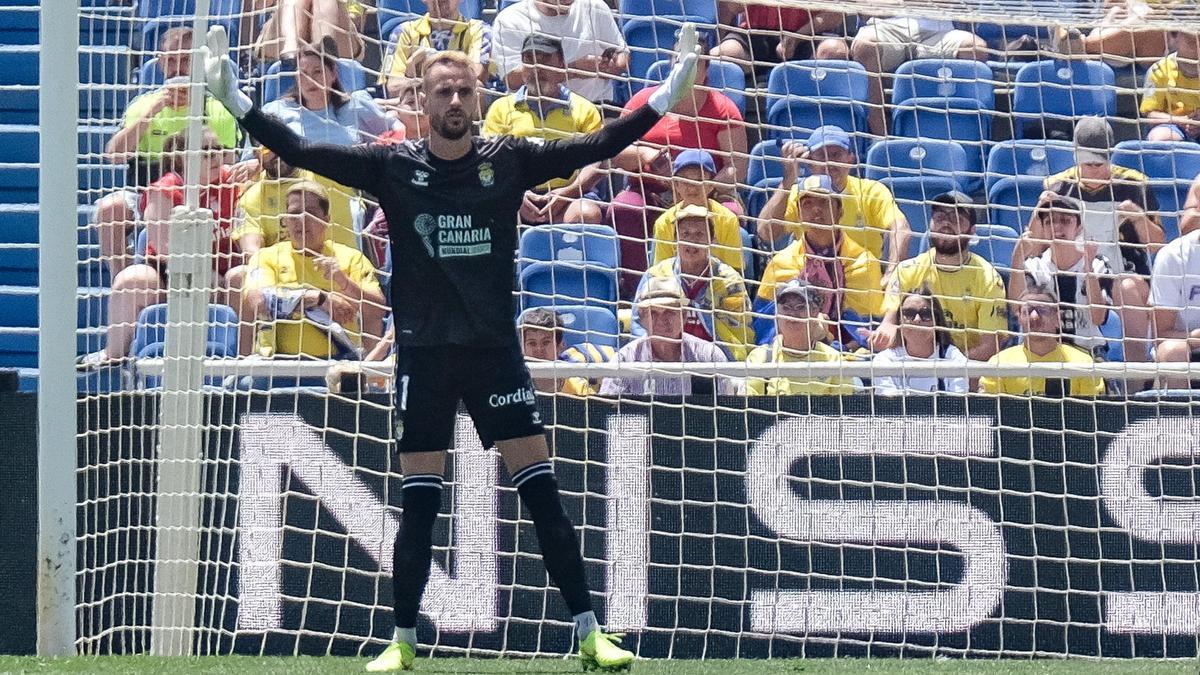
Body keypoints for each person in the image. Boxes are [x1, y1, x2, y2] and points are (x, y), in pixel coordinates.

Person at [204, 20, 703, 670]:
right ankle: (403, 641)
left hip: (496, 353)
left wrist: (665, 96)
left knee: (542, 493)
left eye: (465, 90)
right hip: (425, 358)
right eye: (443, 92)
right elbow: (301, 148)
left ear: (478, 93)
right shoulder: (393, 167)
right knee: (419, 504)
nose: (456, 102)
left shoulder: (509, 161)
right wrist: (235, 102)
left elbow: (597, 142)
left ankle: (589, 633)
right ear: (423, 97)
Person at [78, 131, 241, 369]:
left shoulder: (234, 181)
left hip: (226, 277)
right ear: (181, 160)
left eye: (217, 149)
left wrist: (256, 164)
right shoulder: (163, 191)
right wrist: (201, 276)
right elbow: (164, 248)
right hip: (169, 277)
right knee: (130, 280)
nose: (215, 156)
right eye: (205, 151)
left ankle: (242, 361)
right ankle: (113, 355)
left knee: (244, 278)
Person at [94, 27, 242, 277]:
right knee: (109, 208)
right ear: (160, 64)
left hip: (206, 194)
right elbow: (115, 156)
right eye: (171, 60)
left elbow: (228, 164)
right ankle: (125, 281)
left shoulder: (217, 109)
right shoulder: (142, 106)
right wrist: (152, 113)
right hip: (146, 194)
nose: (177, 68)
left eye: (185, 60)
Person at [1042, 116, 1162, 362]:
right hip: (1072, 269)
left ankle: (1136, 381)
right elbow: (1037, 242)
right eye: (1088, 164)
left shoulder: (1134, 184)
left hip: (1123, 271)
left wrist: (1139, 218)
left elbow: (1158, 245)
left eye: (1100, 164)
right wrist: (1040, 209)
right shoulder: (1057, 186)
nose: (1095, 170)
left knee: (1128, 289)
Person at [242, 181, 386, 359]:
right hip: (277, 364)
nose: (301, 220)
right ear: (285, 220)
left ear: (326, 219)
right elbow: (258, 300)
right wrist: (319, 299)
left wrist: (344, 283)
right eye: (294, 214)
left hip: (340, 361)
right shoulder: (267, 257)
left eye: (310, 213)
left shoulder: (351, 258)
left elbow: (377, 311)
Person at [483, 34, 605, 225]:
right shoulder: (501, 109)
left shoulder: (584, 109)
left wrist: (568, 193)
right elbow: (488, 161)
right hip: (514, 196)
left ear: (561, 64)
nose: (536, 69)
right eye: (529, 61)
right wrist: (515, 193)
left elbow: (598, 164)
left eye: (544, 59)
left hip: (570, 196)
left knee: (586, 213)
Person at [870, 192, 1007, 362]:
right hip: (912, 362)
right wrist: (883, 336)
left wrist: (945, 366)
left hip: (965, 368)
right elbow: (889, 323)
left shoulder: (988, 279)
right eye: (940, 217)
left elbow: (990, 347)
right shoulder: (907, 270)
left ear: (972, 231)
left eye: (956, 219)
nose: (946, 223)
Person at [758, 126, 910, 276]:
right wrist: (788, 180)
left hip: (863, 279)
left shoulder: (871, 191)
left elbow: (901, 229)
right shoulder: (799, 194)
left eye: (836, 155)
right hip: (810, 280)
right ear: (809, 162)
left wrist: (892, 274)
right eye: (821, 156)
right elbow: (766, 233)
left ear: (851, 159)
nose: (829, 163)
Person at [755, 175, 883, 348]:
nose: (816, 209)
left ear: (840, 212)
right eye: (807, 204)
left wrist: (828, 343)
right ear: (799, 214)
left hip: (847, 357)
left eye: (824, 202)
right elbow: (764, 327)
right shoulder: (781, 262)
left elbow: (865, 330)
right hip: (789, 354)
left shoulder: (863, 262)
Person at [632, 205, 753, 360]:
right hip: (663, 357)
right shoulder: (656, 275)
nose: (692, 241)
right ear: (675, 239)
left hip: (715, 360)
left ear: (712, 240)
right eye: (685, 234)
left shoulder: (729, 281)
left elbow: (741, 332)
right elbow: (638, 322)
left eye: (699, 234)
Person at [1009, 193, 1114, 359]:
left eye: (1065, 221)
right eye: (1049, 222)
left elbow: (1098, 317)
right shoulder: (1034, 266)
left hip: (1087, 352)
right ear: (1043, 229)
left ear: (1078, 227)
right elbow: (1016, 309)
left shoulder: (1098, 264)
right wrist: (1017, 260)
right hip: (1038, 353)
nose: (1057, 227)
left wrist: (1088, 269)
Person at [849, 13, 987, 136]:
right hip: (886, 28)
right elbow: (867, 10)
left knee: (975, 48)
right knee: (865, 46)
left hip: (937, 30)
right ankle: (881, 136)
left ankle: (964, 134)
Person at [599, 276, 734, 396]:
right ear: (641, 318)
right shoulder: (624, 361)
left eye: (670, 311)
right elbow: (611, 418)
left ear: (684, 316)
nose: (662, 320)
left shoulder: (710, 357)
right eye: (653, 313)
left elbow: (727, 415)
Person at [261, 40, 399, 147]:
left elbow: (397, 132)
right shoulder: (276, 111)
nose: (310, 80)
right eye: (303, 73)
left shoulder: (357, 105)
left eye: (318, 72)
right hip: (297, 183)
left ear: (333, 73)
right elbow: (253, 156)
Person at [979, 284, 1107, 397]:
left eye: (1042, 310)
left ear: (1057, 318)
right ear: (1019, 319)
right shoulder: (999, 363)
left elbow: (1093, 415)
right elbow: (990, 413)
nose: (1034, 317)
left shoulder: (1083, 363)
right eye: (1028, 311)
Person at [491, 0, 628, 103]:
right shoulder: (509, 20)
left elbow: (623, 55)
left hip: (597, 107)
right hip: (534, 112)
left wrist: (611, 65)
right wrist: (574, 69)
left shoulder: (594, 6)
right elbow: (512, 79)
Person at [744, 278, 860, 395]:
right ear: (777, 313)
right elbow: (750, 404)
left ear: (815, 313)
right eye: (786, 307)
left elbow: (843, 408)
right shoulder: (761, 358)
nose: (793, 314)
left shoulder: (833, 359)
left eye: (800, 307)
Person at [649, 150, 745, 274]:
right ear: (676, 185)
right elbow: (661, 272)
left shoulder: (728, 219)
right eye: (685, 181)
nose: (692, 187)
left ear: (711, 185)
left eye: (699, 180)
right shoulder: (664, 223)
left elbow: (735, 270)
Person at [380, 0, 492, 93]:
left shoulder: (479, 30)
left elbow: (476, 75)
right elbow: (393, 87)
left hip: (459, 104)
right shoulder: (403, 31)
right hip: (418, 107)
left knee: (477, 89)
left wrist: (425, 65)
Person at [871, 288, 969, 394]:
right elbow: (891, 407)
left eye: (926, 314)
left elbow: (957, 405)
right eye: (909, 313)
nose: (917, 319)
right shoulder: (885, 360)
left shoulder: (953, 358)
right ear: (899, 320)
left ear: (937, 320)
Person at [711, 2, 849, 74]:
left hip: (809, 35)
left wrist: (797, 37)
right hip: (755, 35)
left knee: (835, 52)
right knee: (720, 57)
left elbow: (835, 13)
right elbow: (733, 7)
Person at [519, 308, 613, 396]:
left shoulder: (578, 387)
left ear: (560, 347)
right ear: (522, 348)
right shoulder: (515, 386)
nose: (539, 349)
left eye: (546, 342)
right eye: (532, 343)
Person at [1149, 227, 1200, 388]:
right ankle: (1177, 412)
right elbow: (1161, 334)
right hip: (1188, 347)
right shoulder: (1174, 254)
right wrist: (1194, 337)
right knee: (1172, 351)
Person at [252, 0, 365, 62]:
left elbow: (357, 19)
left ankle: (324, 60)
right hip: (280, 37)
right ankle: (291, 57)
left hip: (338, 40)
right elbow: (259, 4)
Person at [1141, 30, 1200, 142]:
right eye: (1190, 39)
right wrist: (1181, 121)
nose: (1196, 44)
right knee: (1161, 136)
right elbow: (1150, 115)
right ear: (1174, 37)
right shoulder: (1160, 69)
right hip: (1173, 126)